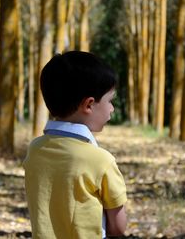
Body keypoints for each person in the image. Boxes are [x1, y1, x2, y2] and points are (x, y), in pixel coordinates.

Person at [23, 51, 127, 239]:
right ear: (88, 104)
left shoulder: (35, 149)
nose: (112, 108)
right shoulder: (101, 161)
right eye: (110, 101)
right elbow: (118, 228)